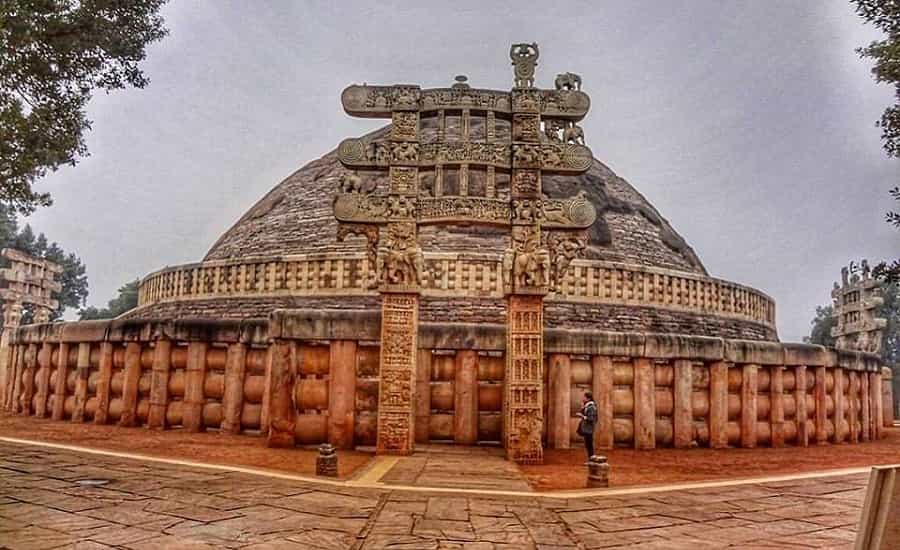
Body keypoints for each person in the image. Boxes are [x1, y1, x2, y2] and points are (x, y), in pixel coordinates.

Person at [576, 391, 598, 460]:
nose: (583, 398)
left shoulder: (592, 407)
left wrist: (582, 416)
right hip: (586, 428)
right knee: (587, 444)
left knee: (589, 444)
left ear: (588, 399)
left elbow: (591, 418)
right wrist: (582, 407)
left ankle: (591, 458)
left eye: (584, 397)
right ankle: (590, 458)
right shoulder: (587, 406)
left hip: (589, 428)